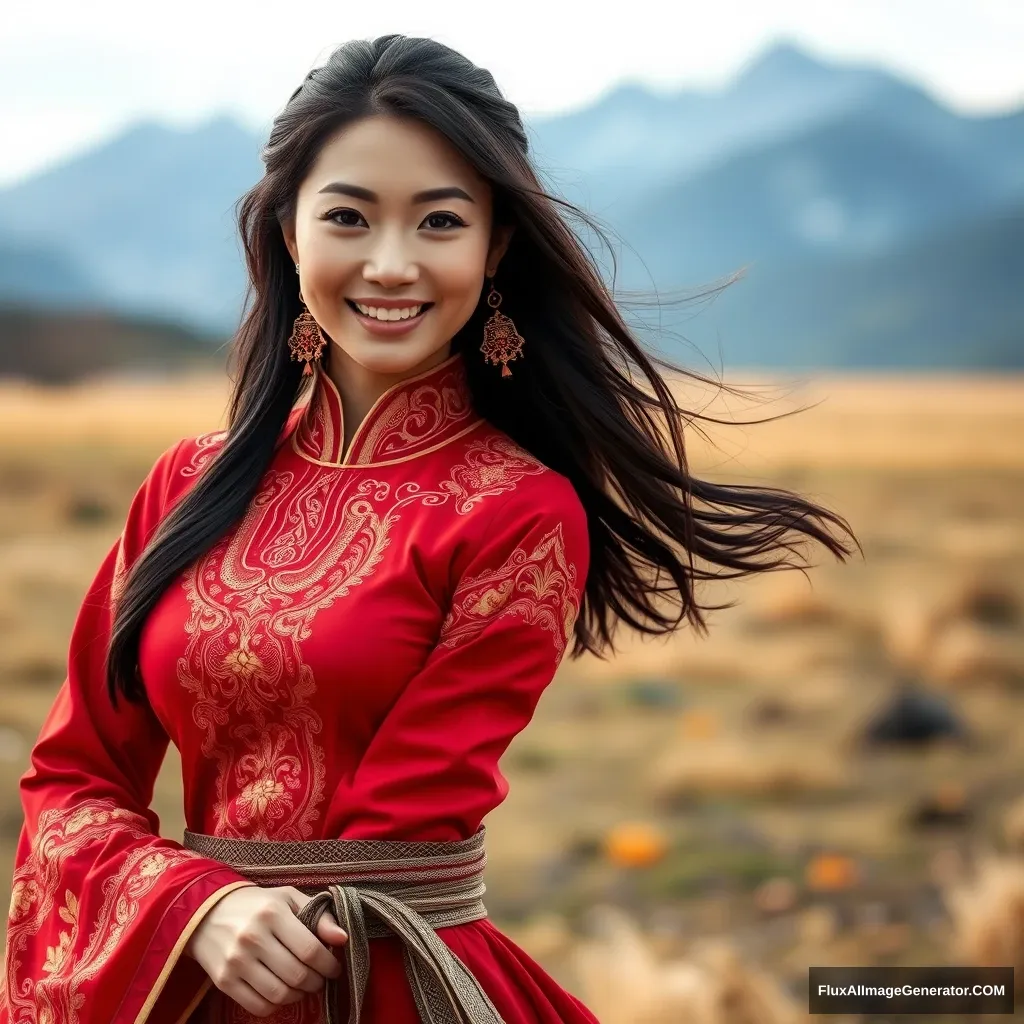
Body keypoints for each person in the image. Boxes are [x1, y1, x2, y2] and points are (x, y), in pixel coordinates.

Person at [0, 33, 860, 1024]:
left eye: (439, 221)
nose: (391, 263)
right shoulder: (188, 485)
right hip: (191, 969)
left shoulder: (516, 512)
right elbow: (72, 777)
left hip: (383, 986)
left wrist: (219, 906)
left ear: (493, 249)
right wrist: (191, 905)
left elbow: (374, 867)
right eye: (349, 217)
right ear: (289, 233)